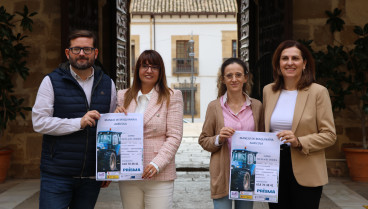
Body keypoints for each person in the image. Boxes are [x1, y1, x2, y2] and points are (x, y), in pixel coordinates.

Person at [32, 30, 116, 209]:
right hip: (57, 175)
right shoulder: (51, 81)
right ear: (67, 52)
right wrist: (78, 122)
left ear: (95, 52)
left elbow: (109, 129)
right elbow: (39, 122)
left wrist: (107, 170)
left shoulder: (108, 84)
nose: (82, 54)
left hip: (90, 177)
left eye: (87, 49)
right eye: (76, 49)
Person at [263, 40, 337, 209]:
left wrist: (299, 141)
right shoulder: (268, 91)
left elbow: (330, 135)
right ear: (278, 64)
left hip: (306, 166)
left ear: (304, 63)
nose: (289, 63)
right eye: (284, 58)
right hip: (273, 168)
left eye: (295, 58)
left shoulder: (318, 92)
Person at [114, 50, 183, 209]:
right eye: (144, 66)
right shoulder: (123, 96)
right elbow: (115, 134)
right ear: (137, 69)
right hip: (128, 172)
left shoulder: (172, 96)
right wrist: (116, 117)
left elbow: (174, 136)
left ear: (161, 71)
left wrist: (157, 164)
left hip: (159, 174)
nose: (149, 70)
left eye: (154, 67)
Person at [198, 58, 264, 209]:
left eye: (238, 75)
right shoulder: (214, 107)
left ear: (245, 78)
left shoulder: (257, 106)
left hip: (248, 174)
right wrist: (219, 138)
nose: (234, 79)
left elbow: (263, 139)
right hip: (223, 175)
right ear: (223, 79)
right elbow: (203, 140)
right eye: (229, 75)